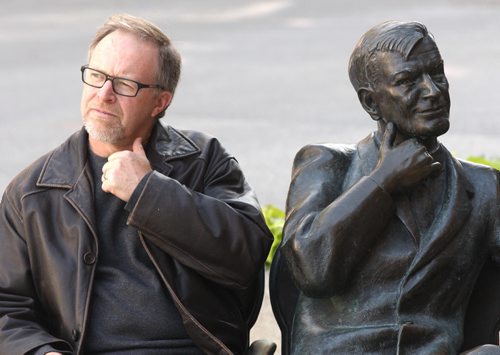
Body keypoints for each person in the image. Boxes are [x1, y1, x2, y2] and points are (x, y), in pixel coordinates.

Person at [0, 14, 273, 355]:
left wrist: (148, 191)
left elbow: (247, 254)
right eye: (96, 76)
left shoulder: (203, 160)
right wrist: (42, 352)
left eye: (125, 83)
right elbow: (7, 306)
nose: (105, 94)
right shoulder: (31, 192)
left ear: (160, 102)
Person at [281, 21, 499, 354]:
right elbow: (312, 270)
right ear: (371, 102)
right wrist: (383, 182)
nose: (432, 91)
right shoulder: (326, 164)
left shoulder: (483, 186)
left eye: (437, 74)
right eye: (408, 81)